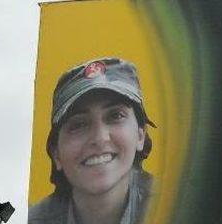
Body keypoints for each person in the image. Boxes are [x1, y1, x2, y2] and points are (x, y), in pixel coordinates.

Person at [29, 58, 155, 224]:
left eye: (115, 116)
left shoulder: (181, 208)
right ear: (56, 154)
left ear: (141, 135)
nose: (100, 138)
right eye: (78, 124)